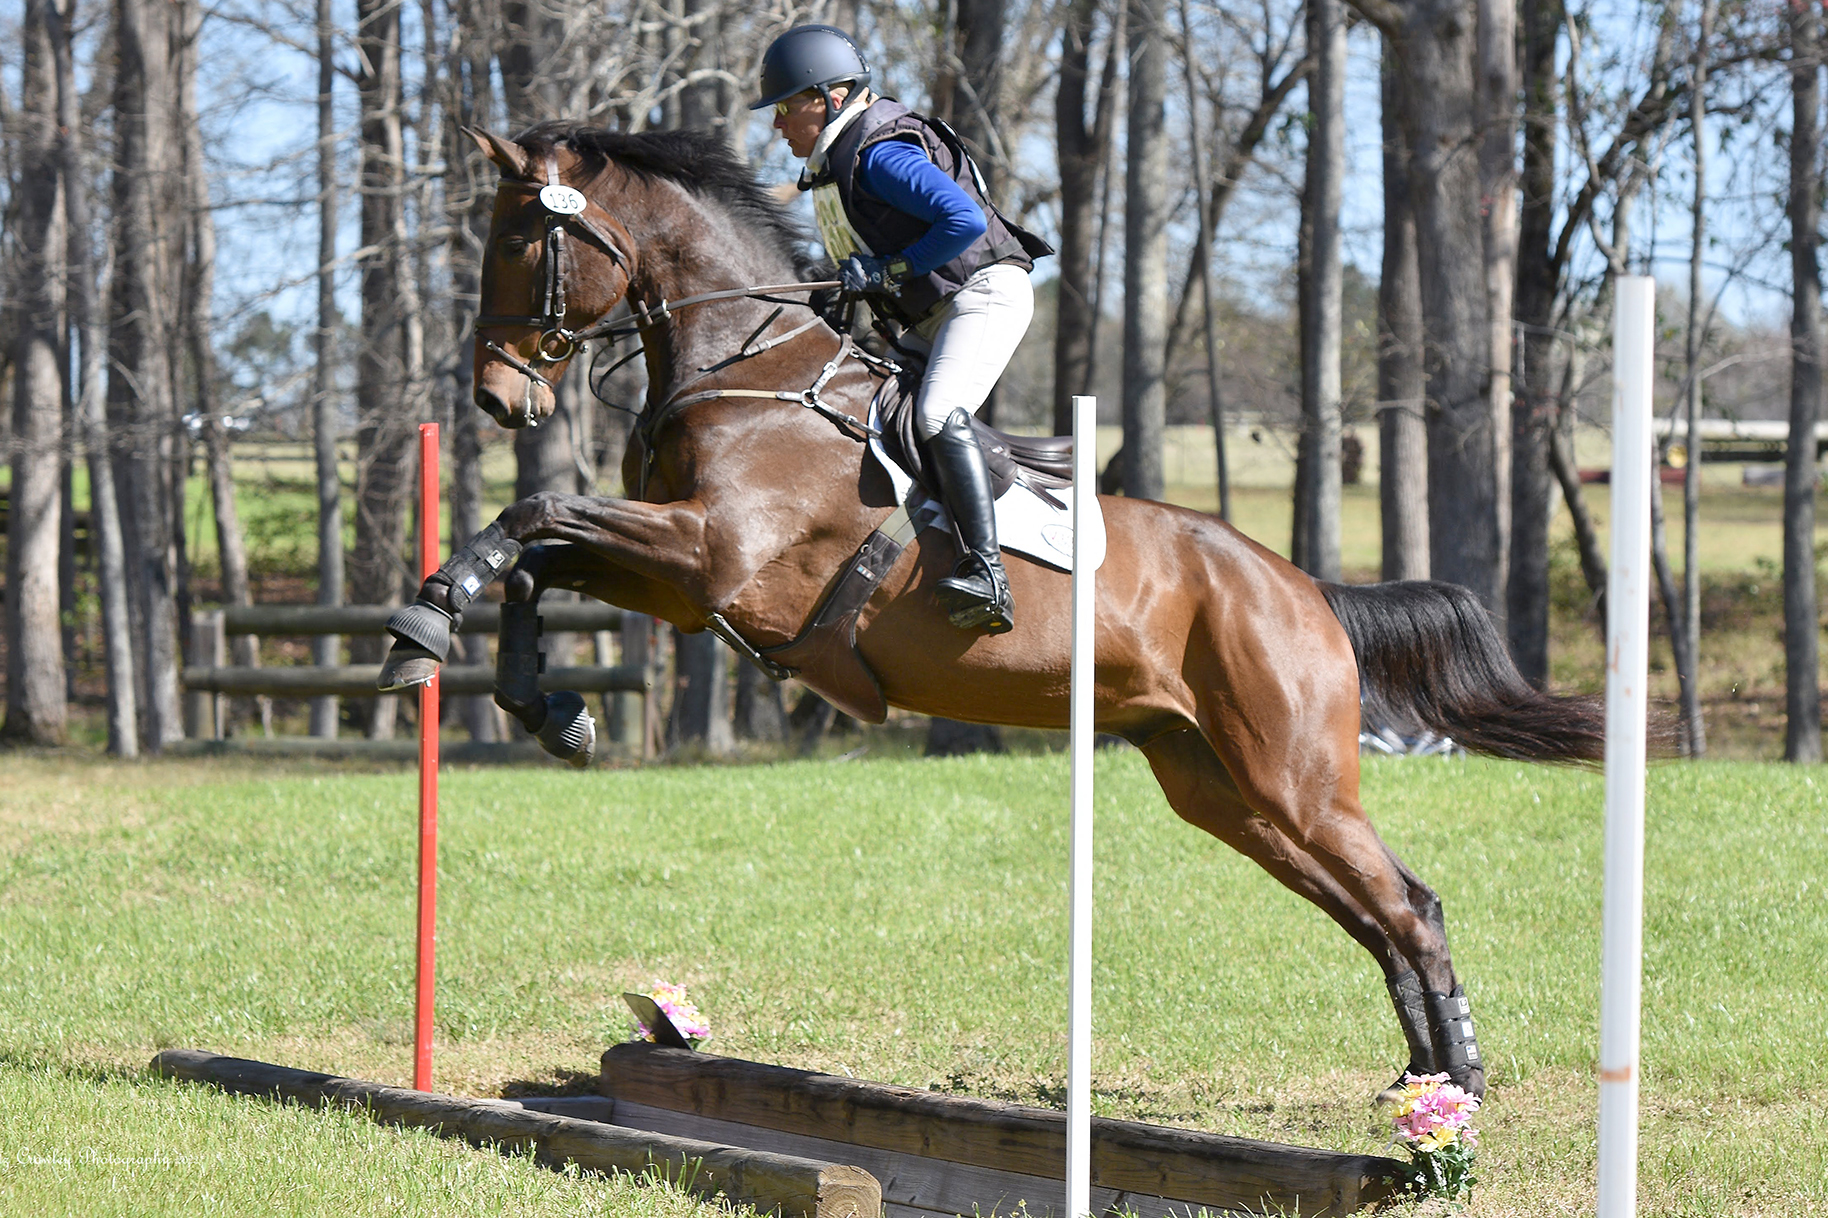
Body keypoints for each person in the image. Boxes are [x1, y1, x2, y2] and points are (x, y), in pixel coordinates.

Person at [751, 24, 1051, 636]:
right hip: (933, 312)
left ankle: (987, 572)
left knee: (939, 415)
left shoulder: (879, 154)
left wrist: (890, 268)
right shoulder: (834, 165)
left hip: (982, 295)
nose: (778, 124)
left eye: (786, 107)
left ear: (831, 98)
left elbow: (962, 220)